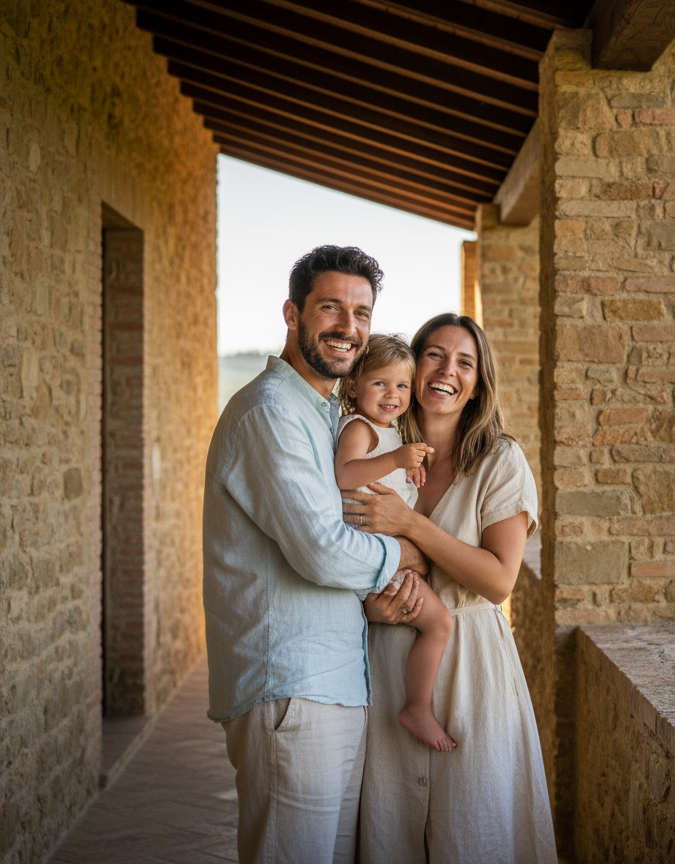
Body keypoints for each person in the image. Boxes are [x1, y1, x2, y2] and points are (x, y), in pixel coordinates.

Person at [203, 246, 428, 864]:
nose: (347, 326)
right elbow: (323, 551)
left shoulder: (324, 415)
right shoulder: (272, 414)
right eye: (330, 307)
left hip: (328, 682)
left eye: (361, 312)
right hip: (291, 687)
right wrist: (411, 552)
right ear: (292, 313)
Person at [344, 313, 558, 864]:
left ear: (479, 382)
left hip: (472, 665)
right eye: (435, 355)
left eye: (465, 362)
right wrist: (374, 605)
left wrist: (410, 525)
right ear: (413, 368)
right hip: (389, 664)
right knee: (392, 828)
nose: (447, 371)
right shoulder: (378, 450)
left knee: (474, 825)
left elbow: (498, 580)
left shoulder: (499, 460)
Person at [334, 333, 455, 753]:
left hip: (387, 554)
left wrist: (408, 471)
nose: (393, 394)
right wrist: (398, 459)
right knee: (440, 624)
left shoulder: (388, 433)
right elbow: (345, 476)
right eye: (380, 383)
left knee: (435, 623)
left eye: (402, 386)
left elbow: (386, 480)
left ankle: (415, 705)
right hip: (377, 557)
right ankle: (416, 708)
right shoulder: (359, 428)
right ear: (353, 387)